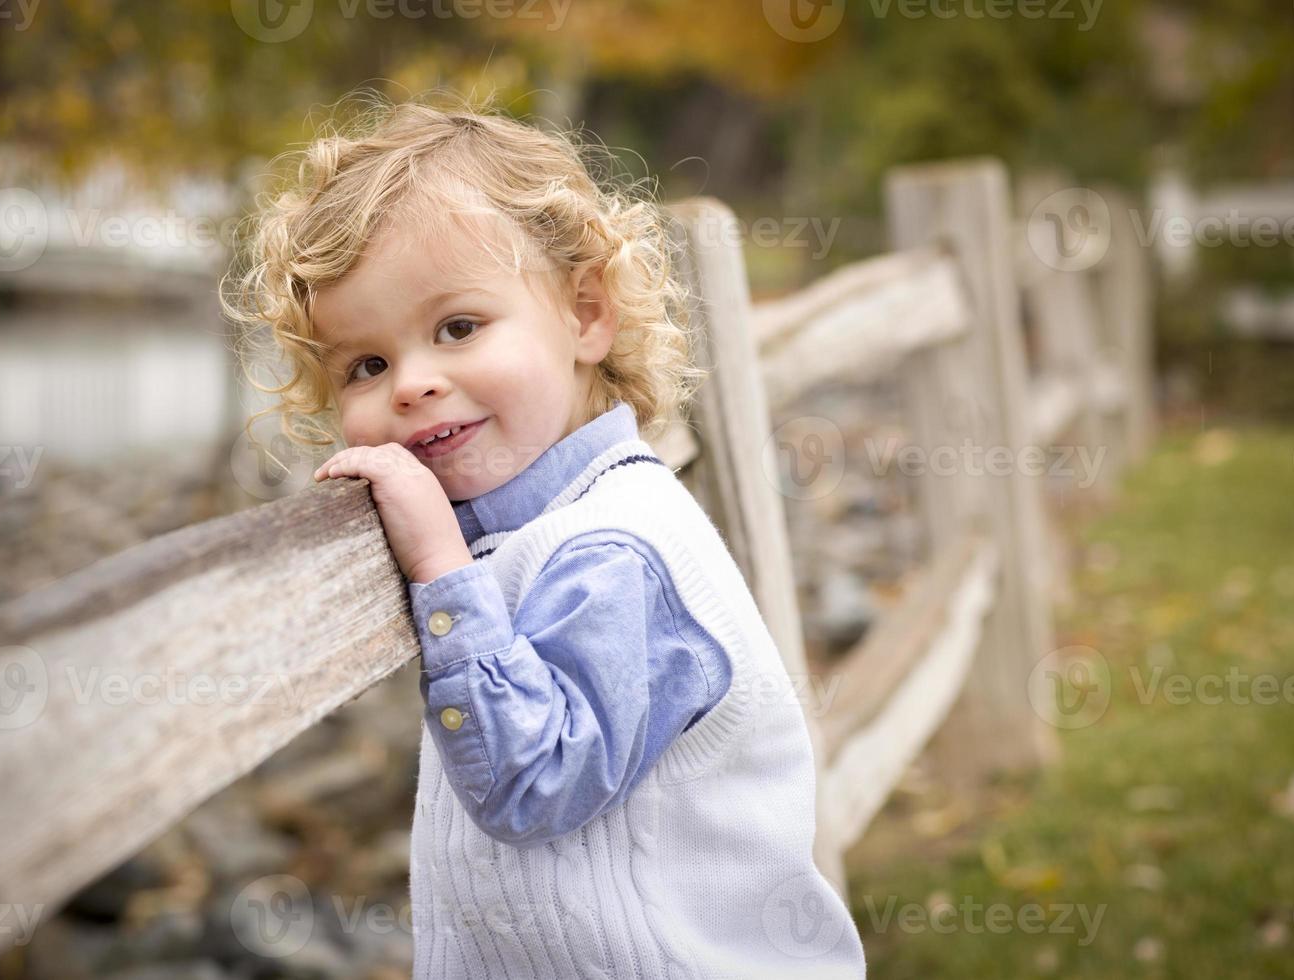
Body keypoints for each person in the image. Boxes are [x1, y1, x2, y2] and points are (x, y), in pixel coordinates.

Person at [224, 92, 865, 979]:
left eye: (459, 327)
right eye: (366, 365)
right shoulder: (549, 517)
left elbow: (535, 781)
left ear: (586, 314)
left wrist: (440, 566)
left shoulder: (615, 551)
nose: (412, 384)